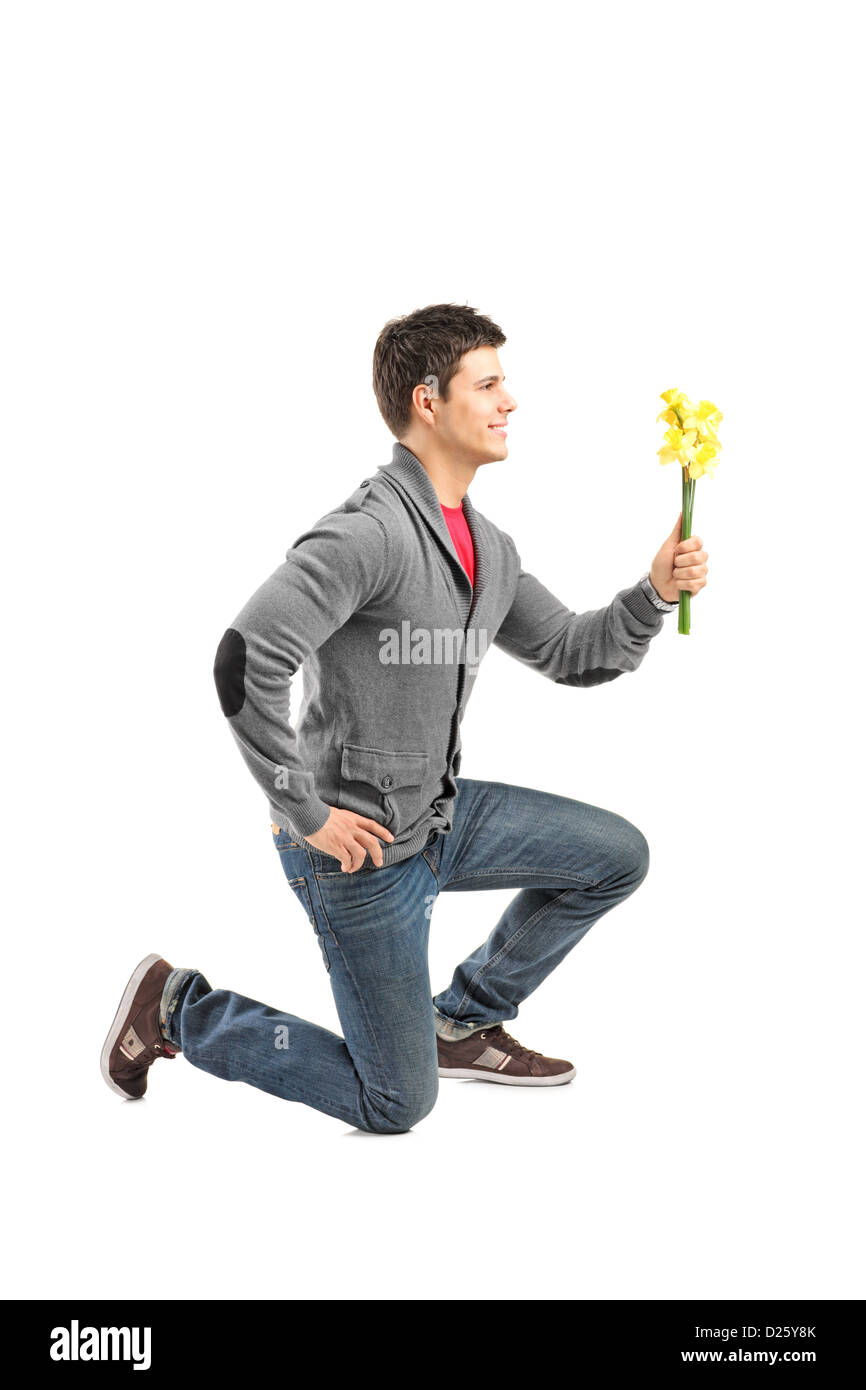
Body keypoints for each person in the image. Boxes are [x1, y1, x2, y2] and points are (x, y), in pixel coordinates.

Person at [100, 303, 709, 1133]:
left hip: (438, 815)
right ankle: (178, 1010)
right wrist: (304, 812)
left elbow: (574, 652)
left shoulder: (486, 548)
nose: (510, 402)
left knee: (615, 856)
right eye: (489, 383)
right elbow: (244, 662)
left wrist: (653, 594)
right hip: (359, 852)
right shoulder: (371, 533)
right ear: (429, 401)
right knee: (395, 1102)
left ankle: (460, 1018)